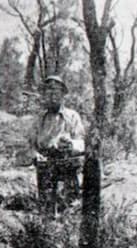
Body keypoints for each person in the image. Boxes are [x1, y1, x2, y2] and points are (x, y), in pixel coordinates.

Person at [28, 75, 86, 212]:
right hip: (45, 164)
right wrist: (35, 155)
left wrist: (71, 144)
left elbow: (82, 142)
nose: (52, 96)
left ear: (63, 95)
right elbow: (31, 143)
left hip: (67, 163)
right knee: (46, 207)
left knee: (69, 206)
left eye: (56, 91)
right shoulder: (39, 119)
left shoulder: (72, 116)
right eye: (48, 92)